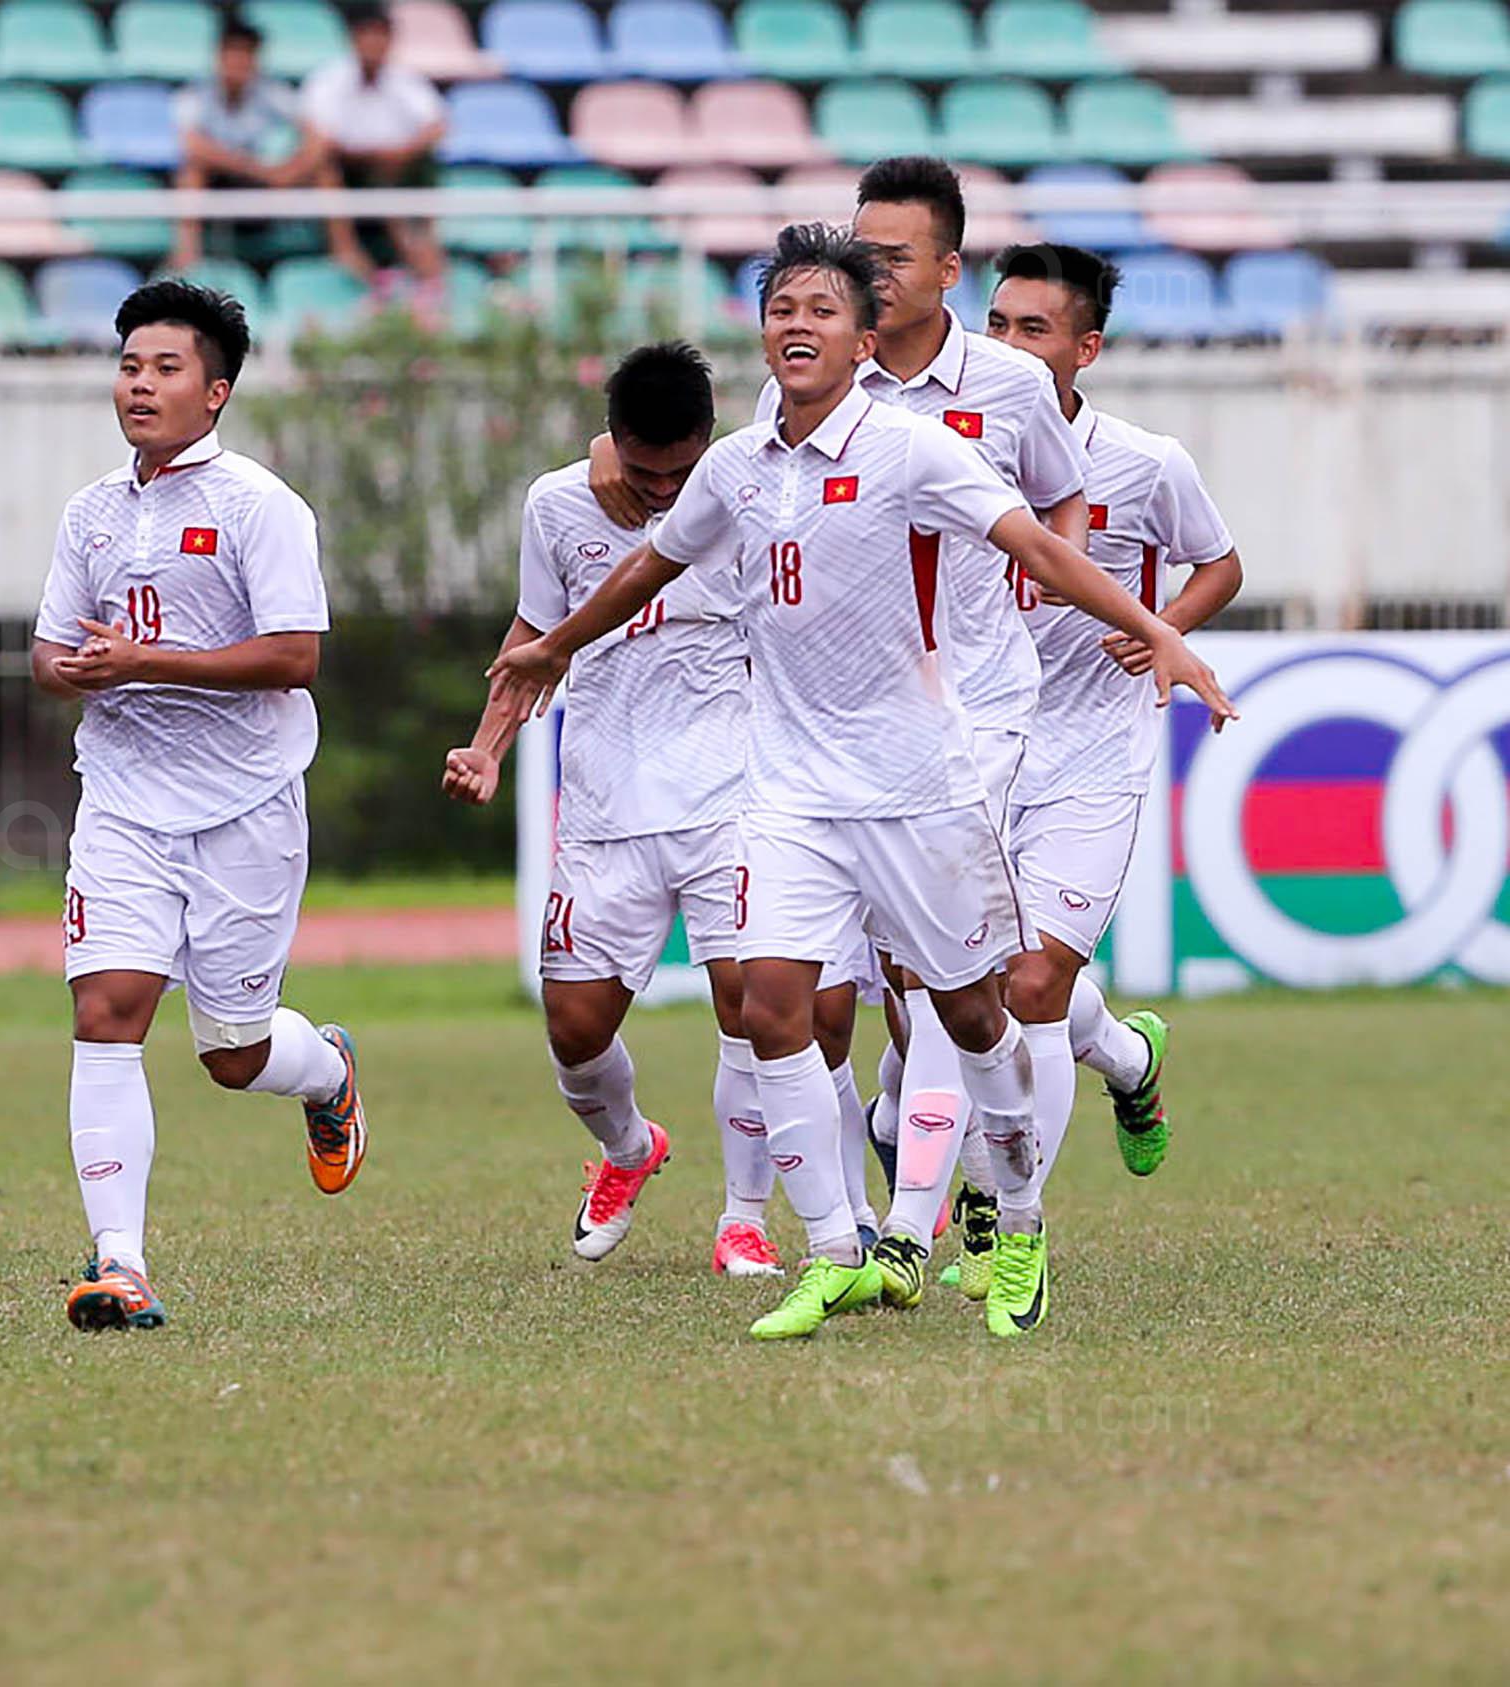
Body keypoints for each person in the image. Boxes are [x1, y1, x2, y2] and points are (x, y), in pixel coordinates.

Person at [489, 224, 1237, 1341]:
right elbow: (654, 561)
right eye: (781, 307)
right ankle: (836, 1250)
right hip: (789, 792)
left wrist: (1159, 629)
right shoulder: (737, 465)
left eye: (822, 310)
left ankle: (1019, 1219)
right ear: (764, 333)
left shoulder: (913, 451)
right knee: (772, 1006)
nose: (798, 324)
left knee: (972, 1012)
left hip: (918, 783)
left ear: (862, 340)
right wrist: (555, 644)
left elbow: (1040, 546)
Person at [595, 155, 1093, 1292]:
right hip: (805, 762)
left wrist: (1102, 609)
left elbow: (1054, 513)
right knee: (796, 1000)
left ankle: (963, 1217)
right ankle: (847, 1236)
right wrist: (559, 616)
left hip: (962, 726)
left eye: (886, 258)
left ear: (942, 273)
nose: (866, 273)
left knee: (950, 994)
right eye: (850, 258)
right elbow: (694, 512)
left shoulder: (999, 393)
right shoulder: (775, 418)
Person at [32, 280, 370, 1332]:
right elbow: (48, 649)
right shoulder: (90, 511)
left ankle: (327, 1072)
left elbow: (296, 656)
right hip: (122, 802)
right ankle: (119, 1263)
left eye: (166, 368)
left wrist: (148, 661)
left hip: (245, 806)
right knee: (106, 1012)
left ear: (215, 392)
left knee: (231, 1053)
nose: (140, 384)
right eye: (130, 365)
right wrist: (72, 669)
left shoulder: (259, 506)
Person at [441, 342, 792, 1279]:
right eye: (643, 473)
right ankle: (631, 1148)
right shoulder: (558, 503)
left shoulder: (751, 497)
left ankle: (744, 1219)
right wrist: (487, 746)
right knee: (575, 1027)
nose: (664, 491)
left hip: (732, 797)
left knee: (753, 1004)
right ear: (612, 440)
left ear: (712, 439)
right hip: (605, 804)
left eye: (681, 472)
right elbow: (534, 634)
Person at [983, 240, 1243, 1216]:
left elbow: (1221, 563)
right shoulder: (944, 447)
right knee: (968, 988)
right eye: (996, 324)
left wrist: (1162, 627)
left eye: (1034, 328)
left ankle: (1004, 1225)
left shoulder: (1144, 462)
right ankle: (1131, 1058)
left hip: (1092, 750)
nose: (1009, 345)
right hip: (967, 752)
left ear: (1085, 348)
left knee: (1035, 982)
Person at [297, 2, 449, 289]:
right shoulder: (328, 80)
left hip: (397, 169)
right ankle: (346, 250)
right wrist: (365, 155)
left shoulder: (406, 80)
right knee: (325, 167)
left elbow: (437, 127)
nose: (373, 43)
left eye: (380, 35)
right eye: (367, 34)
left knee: (410, 168)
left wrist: (402, 152)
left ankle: (423, 261)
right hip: (347, 168)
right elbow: (316, 135)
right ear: (353, 38)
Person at [170, 14, 323, 271]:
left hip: (259, 182)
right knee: (193, 169)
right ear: (219, 56)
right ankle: (186, 253)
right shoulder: (196, 93)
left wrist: (291, 172)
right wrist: (258, 170)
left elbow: (317, 137)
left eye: (246, 54)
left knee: (325, 171)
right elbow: (192, 145)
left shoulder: (271, 91)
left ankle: (341, 250)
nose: (239, 61)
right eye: (233, 53)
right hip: (220, 180)